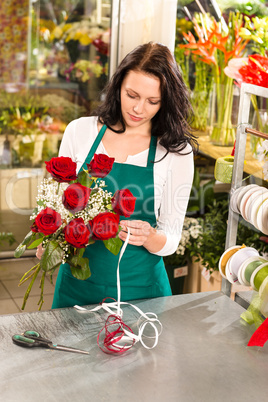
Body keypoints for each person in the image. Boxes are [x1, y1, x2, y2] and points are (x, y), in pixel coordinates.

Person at [41, 41, 197, 308]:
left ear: (166, 101)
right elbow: (56, 205)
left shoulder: (175, 151)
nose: (138, 109)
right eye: (132, 95)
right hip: (77, 287)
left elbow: (171, 238)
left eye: (152, 101)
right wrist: (49, 239)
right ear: (118, 87)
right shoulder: (81, 132)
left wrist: (150, 238)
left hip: (142, 292)